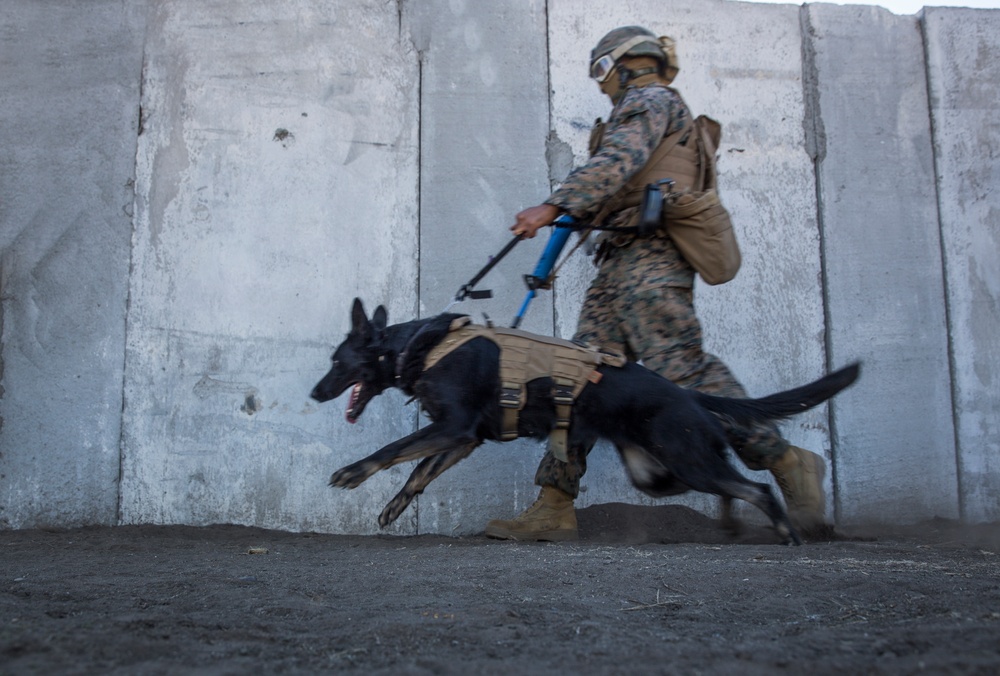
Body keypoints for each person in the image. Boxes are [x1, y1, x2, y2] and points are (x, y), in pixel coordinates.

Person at [484, 26, 829, 542]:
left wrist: (552, 204)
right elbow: (618, 180)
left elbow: (617, 161)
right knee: (577, 379)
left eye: (601, 70)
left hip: (654, 258)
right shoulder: (645, 105)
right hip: (618, 259)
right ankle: (553, 505)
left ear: (626, 65)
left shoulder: (649, 99)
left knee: (683, 374)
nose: (601, 84)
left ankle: (785, 461)